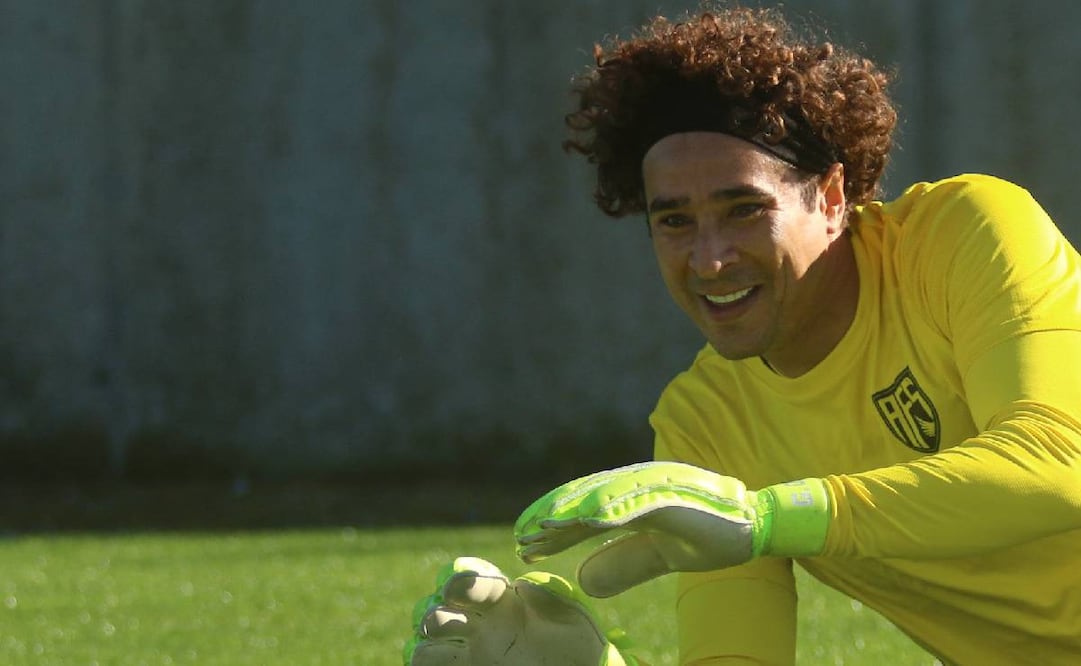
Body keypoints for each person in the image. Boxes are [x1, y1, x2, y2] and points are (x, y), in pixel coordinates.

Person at [406, 4, 1081, 665]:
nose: (709, 259)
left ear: (832, 197)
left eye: (743, 210)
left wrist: (766, 520)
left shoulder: (962, 231)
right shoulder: (704, 426)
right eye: (673, 223)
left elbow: (1059, 461)